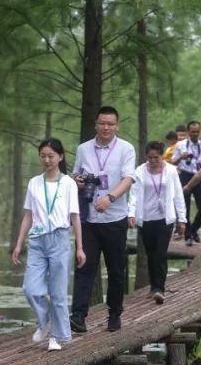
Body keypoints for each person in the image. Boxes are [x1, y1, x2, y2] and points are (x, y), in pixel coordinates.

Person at [11, 138, 85, 351]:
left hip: (60, 239)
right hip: (37, 240)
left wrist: (80, 247)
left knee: (58, 293)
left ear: (60, 157)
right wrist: (18, 243)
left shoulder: (69, 183)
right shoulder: (34, 182)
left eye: (51, 156)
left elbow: (75, 216)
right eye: (43, 156)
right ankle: (43, 322)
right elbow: (28, 215)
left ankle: (57, 337)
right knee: (31, 289)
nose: (47, 160)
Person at [70, 105, 136, 334]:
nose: (106, 127)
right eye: (102, 123)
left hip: (114, 218)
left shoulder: (126, 149)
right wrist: (77, 182)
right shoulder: (83, 149)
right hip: (88, 219)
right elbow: (74, 174)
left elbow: (128, 179)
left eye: (110, 123)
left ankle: (115, 313)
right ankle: (78, 316)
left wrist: (110, 196)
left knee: (116, 269)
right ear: (96, 124)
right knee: (84, 267)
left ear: (116, 126)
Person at [128, 142, 187, 304]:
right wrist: (131, 213)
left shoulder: (171, 171)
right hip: (146, 218)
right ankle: (153, 286)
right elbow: (133, 195)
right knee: (151, 253)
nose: (153, 160)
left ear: (162, 156)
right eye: (150, 157)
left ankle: (160, 288)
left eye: (156, 157)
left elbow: (178, 195)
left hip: (165, 218)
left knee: (160, 254)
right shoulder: (139, 172)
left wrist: (182, 219)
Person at [171, 120, 201, 245]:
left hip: (199, 177)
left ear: (200, 131)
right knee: (185, 207)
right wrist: (180, 157)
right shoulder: (180, 145)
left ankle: (194, 230)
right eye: (192, 131)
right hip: (185, 175)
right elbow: (172, 162)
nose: (195, 134)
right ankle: (188, 236)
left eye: (197, 132)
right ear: (188, 132)